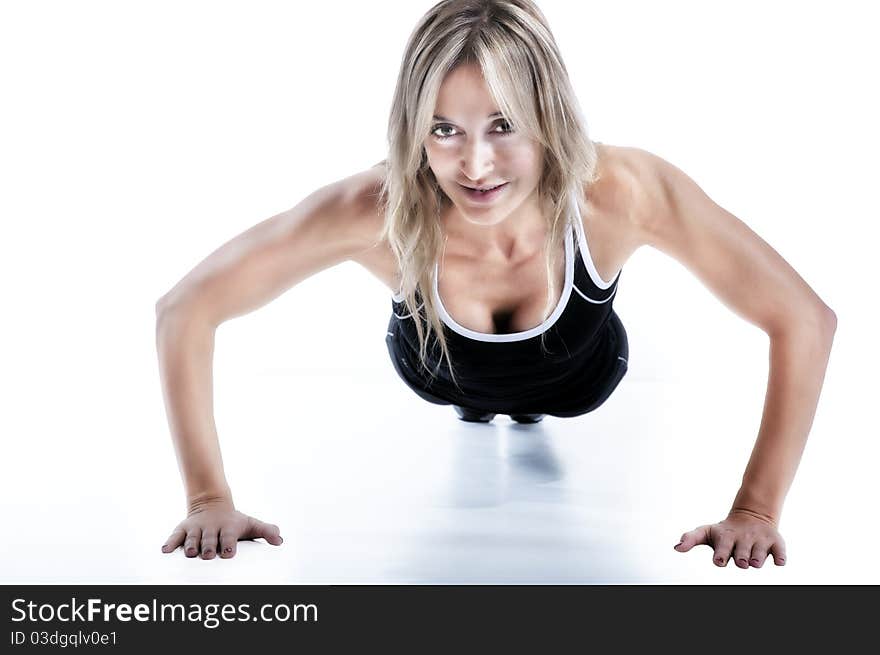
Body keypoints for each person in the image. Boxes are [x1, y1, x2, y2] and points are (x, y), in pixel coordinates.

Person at [155, 0, 836, 569]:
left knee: (561, 388)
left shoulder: (621, 194)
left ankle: (525, 404)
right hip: (438, 374)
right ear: (413, 130)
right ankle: (479, 403)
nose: (475, 165)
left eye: (503, 125)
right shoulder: (376, 210)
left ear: (549, 117)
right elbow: (186, 309)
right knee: (461, 386)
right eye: (444, 129)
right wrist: (206, 498)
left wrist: (755, 509)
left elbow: (804, 318)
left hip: (581, 379)